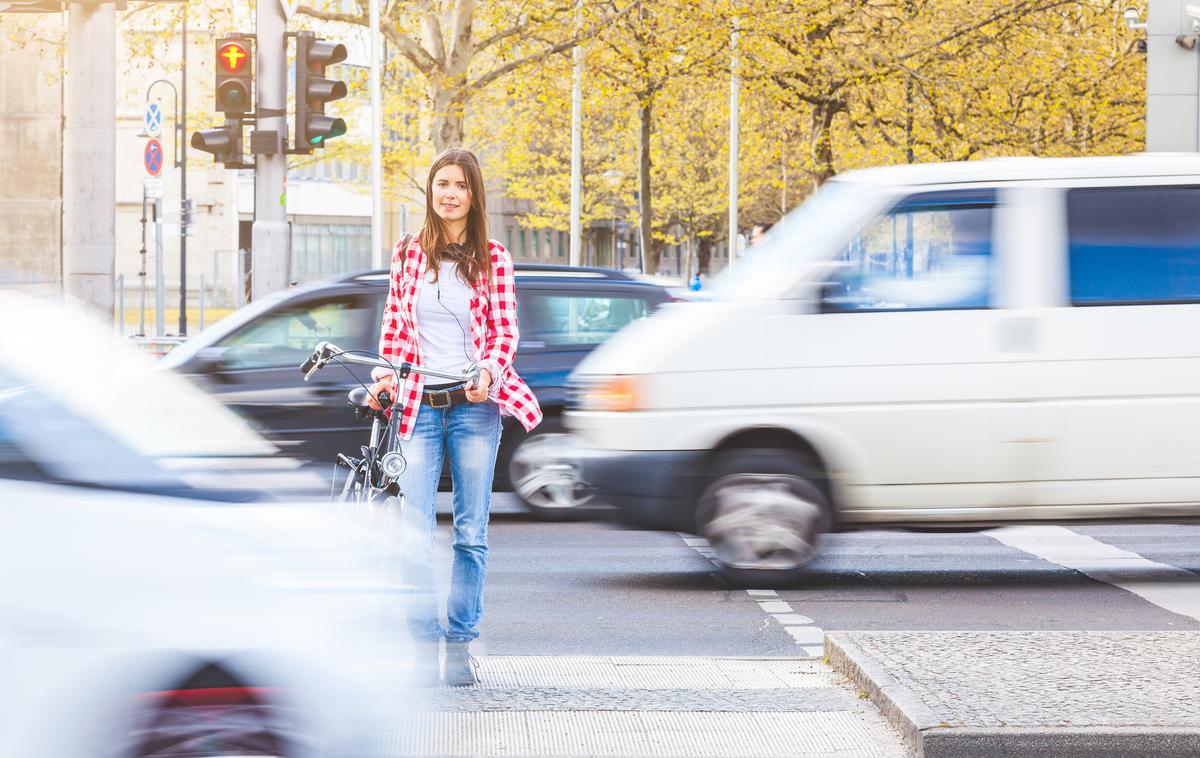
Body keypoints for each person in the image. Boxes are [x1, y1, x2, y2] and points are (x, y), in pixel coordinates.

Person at [365, 147, 542, 687]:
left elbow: (504, 333)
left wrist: (488, 371)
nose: (449, 193)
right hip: (418, 407)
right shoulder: (406, 253)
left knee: (470, 533)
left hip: (473, 410)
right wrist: (385, 376)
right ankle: (423, 646)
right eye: (441, 183)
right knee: (414, 535)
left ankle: (460, 645)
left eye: (460, 185)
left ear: (473, 195)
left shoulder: (493, 257)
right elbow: (395, 327)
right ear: (430, 191)